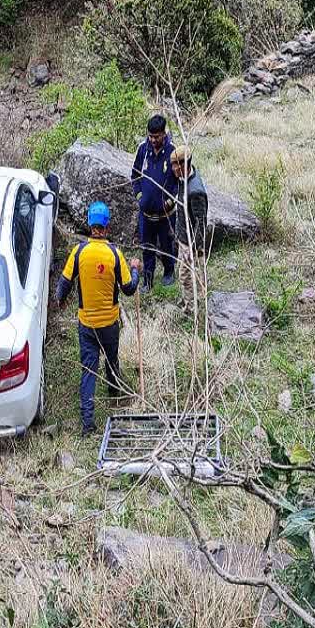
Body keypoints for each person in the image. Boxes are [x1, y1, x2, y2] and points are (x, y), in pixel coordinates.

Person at [55, 202, 142, 435]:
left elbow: (64, 284)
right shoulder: (115, 253)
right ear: (106, 225)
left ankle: (87, 425)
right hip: (110, 324)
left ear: (90, 224)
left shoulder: (79, 252)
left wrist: (60, 300)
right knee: (111, 360)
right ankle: (114, 396)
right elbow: (128, 289)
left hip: (87, 325)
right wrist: (135, 269)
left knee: (88, 371)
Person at [130, 114, 177, 291]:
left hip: (166, 214)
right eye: (150, 136)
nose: (153, 139)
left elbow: (178, 181)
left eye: (156, 136)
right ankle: (147, 280)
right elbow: (134, 175)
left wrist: (170, 202)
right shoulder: (143, 149)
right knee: (147, 247)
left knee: (166, 244)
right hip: (146, 213)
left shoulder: (172, 151)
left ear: (164, 134)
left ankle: (169, 272)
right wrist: (140, 197)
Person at [169, 146, 210, 255]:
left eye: (175, 165)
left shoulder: (195, 192)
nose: (172, 168)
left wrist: (192, 250)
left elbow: (200, 224)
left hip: (190, 248)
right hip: (183, 240)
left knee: (186, 273)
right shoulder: (183, 178)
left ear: (184, 165)